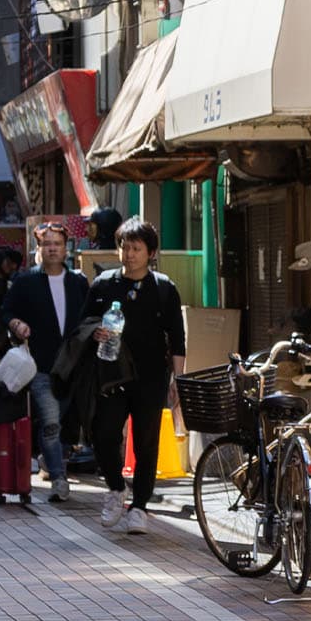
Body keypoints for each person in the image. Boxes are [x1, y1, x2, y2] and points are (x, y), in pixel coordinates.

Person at [83, 217, 186, 535]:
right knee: (104, 434)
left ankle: (140, 506)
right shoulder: (103, 284)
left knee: (146, 442)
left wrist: (177, 382)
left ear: (151, 253)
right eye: (124, 247)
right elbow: (83, 322)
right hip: (111, 374)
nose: (128, 254)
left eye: (136, 248)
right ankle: (115, 488)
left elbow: (177, 339)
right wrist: (94, 332)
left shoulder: (164, 288)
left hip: (152, 376)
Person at [2, 222, 90, 503]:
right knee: (51, 422)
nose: (52, 248)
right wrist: (16, 325)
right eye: (46, 244)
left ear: (66, 249)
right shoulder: (26, 282)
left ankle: (50, 458)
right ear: (38, 249)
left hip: (74, 365)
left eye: (57, 244)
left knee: (66, 422)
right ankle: (59, 479)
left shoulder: (78, 282)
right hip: (41, 365)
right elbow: (7, 311)